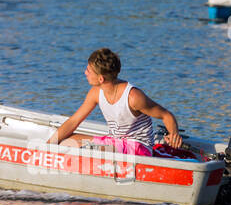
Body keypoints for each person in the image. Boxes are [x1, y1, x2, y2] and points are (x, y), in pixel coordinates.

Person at [48, 48, 183, 156]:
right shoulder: (95, 93)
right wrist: (48, 145)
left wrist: (174, 134)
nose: (85, 73)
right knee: (67, 142)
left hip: (138, 148)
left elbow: (166, 115)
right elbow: (74, 121)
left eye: (88, 70)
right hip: (114, 142)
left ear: (101, 79)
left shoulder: (133, 97)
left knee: (88, 149)